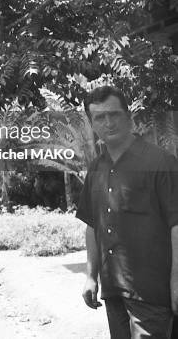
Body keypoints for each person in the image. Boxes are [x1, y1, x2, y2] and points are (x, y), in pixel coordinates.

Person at [77, 85, 178, 338]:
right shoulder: (96, 170)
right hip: (114, 290)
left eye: (114, 114)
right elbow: (92, 224)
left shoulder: (160, 163)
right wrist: (90, 276)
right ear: (92, 124)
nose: (108, 123)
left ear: (128, 115)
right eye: (100, 117)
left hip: (152, 292)